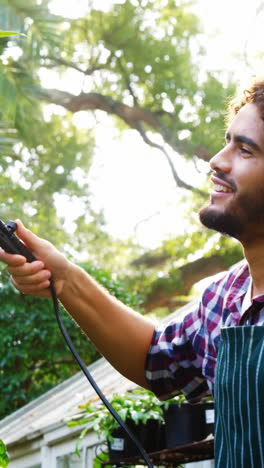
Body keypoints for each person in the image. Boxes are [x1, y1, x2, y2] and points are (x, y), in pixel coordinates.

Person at [2, 77, 264, 467]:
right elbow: (156, 359)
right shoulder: (226, 297)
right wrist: (66, 279)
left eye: (244, 149)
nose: (217, 160)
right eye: (227, 141)